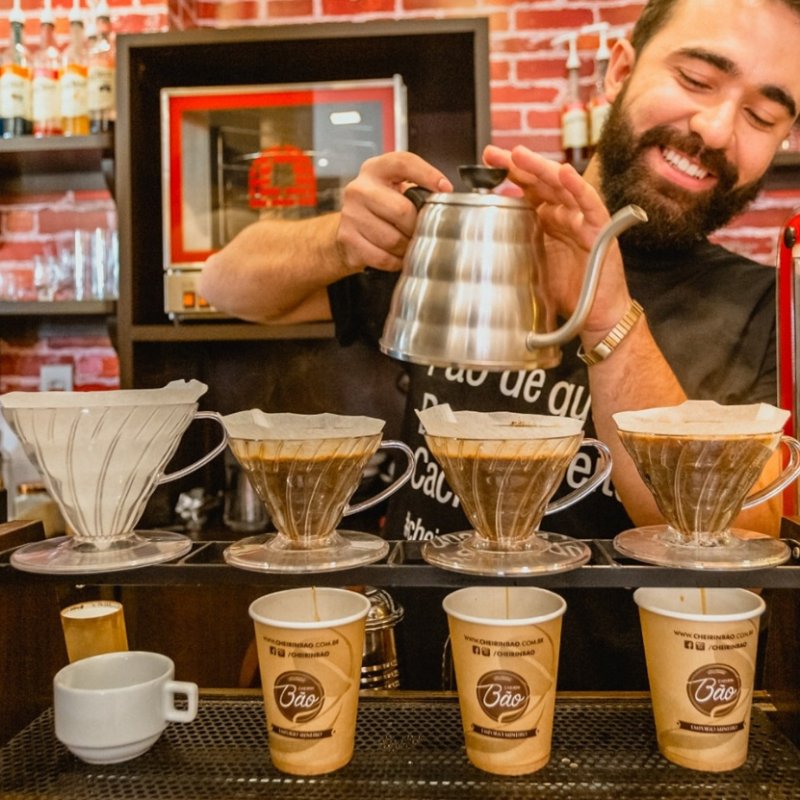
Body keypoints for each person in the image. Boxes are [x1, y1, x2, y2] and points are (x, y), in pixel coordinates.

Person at [201, 0, 800, 690]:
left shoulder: (767, 308)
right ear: (619, 71)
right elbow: (227, 285)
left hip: (622, 730)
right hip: (415, 701)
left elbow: (744, 541)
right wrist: (343, 236)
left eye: (761, 116)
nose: (717, 129)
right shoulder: (482, 237)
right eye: (697, 79)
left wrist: (606, 316)